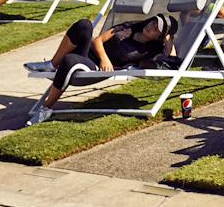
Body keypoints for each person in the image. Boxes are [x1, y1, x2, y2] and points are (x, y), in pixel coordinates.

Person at [24, 11, 178, 125]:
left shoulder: (150, 51)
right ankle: (51, 65)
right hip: (93, 55)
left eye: (157, 29)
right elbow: (98, 40)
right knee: (84, 24)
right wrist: (104, 58)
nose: (151, 26)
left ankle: (46, 108)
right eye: (153, 22)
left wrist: (168, 40)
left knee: (69, 60)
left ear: (160, 37)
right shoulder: (129, 27)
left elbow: (171, 60)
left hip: (95, 68)